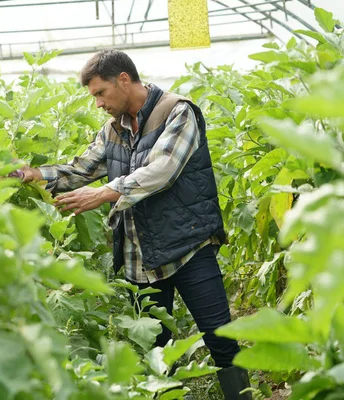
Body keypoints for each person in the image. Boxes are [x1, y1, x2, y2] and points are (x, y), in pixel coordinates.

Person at [16, 50, 251, 399]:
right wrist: (31, 174)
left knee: (221, 338)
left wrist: (105, 192)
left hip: (189, 247)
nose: (97, 103)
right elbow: (79, 169)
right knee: (157, 351)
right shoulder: (112, 131)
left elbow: (163, 169)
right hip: (140, 257)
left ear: (123, 80)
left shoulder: (177, 111)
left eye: (100, 93)